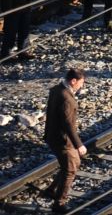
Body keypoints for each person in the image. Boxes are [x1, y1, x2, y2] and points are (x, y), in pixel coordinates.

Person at [45, 67, 86, 214]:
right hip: (62, 140)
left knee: (74, 163)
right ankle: (59, 203)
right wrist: (79, 144)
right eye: (81, 83)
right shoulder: (66, 97)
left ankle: (52, 189)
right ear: (73, 81)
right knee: (70, 170)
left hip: (53, 136)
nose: (82, 86)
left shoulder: (57, 89)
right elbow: (67, 123)